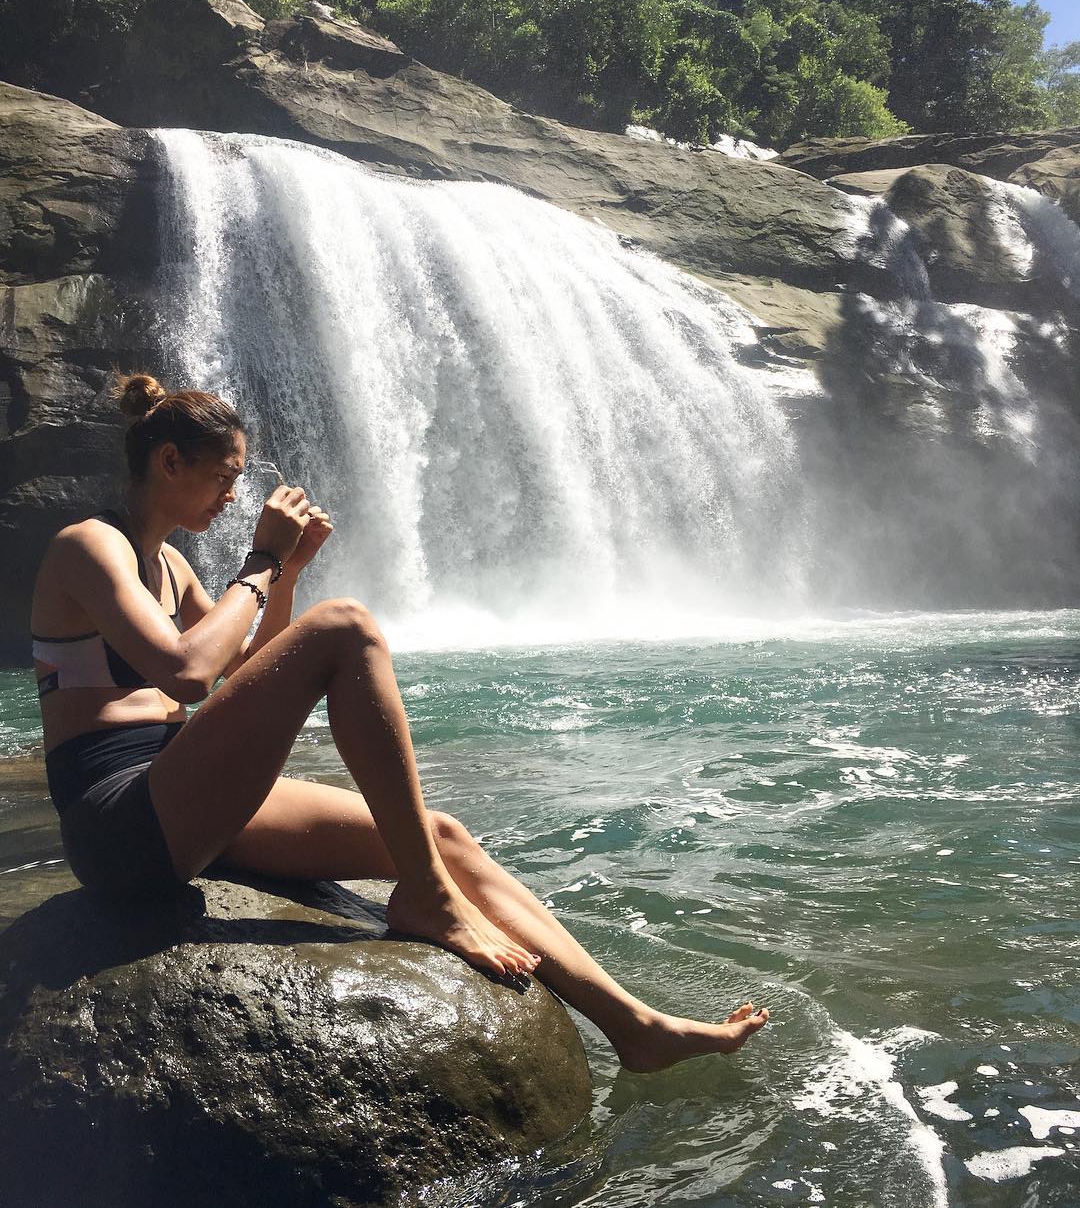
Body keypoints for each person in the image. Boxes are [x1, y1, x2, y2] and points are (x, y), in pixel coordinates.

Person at [30, 372, 769, 1072]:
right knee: (345, 625)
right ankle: (424, 897)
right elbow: (188, 672)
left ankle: (635, 1027)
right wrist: (259, 560)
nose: (232, 495)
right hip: (118, 821)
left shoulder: (172, 566)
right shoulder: (87, 546)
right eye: (225, 477)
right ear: (169, 461)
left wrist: (287, 571)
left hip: (181, 796)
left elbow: (247, 669)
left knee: (442, 836)